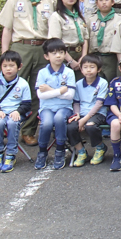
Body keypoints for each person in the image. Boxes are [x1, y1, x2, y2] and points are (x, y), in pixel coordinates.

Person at [0, 0, 57, 146]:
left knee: (37, 91)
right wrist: (5, 54)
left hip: (42, 48)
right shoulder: (15, 0)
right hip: (20, 47)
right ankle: (5, 130)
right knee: (12, 89)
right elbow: (7, 28)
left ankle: (28, 131)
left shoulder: (52, 1)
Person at [34, 38, 76, 171]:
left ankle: (60, 150)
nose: (58, 56)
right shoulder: (42, 73)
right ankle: (42, 152)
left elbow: (70, 95)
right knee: (46, 123)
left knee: (59, 119)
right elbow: (40, 95)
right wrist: (60, 91)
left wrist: (50, 90)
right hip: (46, 107)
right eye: (54, 53)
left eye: (61, 52)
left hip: (65, 107)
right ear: (46, 56)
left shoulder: (69, 72)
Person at [0, 51, 31, 173]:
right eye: (5, 66)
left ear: (19, 66)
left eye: (12, 66)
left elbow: (27, 104)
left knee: (12, 123)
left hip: (16, 112)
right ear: (1, 67)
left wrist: (18, 111)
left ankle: (11, 154)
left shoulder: (23, 83)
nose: (8, 69)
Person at [66, 54, 108, 168]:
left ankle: (100, 147)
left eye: (92, 67)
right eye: (85, 67)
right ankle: (81, 151)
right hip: (82, 113)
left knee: (90, 126)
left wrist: (84, 120)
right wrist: (77, 115)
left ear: (99, 69)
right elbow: (76, 102)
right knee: (70, 127)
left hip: (98, 113)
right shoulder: (78, 84)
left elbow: (99, 104)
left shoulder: (102, 83)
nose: (88, 70)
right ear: (81, 69)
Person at [48, 0, 89, 81]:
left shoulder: (79, 17)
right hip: (64, 57)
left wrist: (83, 57)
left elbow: (85, 39)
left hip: (80, 58)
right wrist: (71, 61)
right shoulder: (56, 17)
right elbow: (56, 43)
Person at [87, 0, 119, 82]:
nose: (104, 3)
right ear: (96, 3)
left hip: (111, 58)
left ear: (112, 2)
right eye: (101, 0)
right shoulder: (91, 20)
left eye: (107, 0)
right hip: (95, 57)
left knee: (111, 82)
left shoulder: (119, 20)